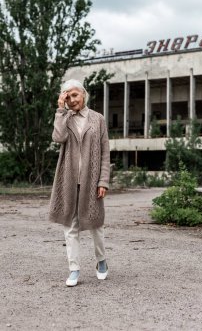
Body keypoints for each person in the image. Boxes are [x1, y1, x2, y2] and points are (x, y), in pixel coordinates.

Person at [49, 79, 110, 287]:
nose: (72, 99)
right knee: (70, 226)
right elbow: (58, 138)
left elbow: (104, 153)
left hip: (92, 182)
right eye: (67, 96)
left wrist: (103, 180)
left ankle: (101, 260)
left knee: (96, 224)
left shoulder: (98, 119)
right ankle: (74, 268)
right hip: (68, 180)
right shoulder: (65, 118)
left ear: (83, 94)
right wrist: (60, 111)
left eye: (75, 95)